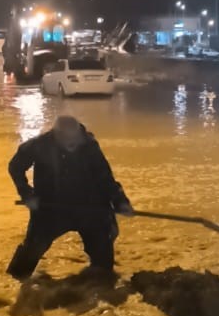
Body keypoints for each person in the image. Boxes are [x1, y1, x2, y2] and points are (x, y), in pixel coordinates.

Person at [7, 115, 133, 279]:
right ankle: (14, 283)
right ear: (56, 136)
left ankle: (100, 285)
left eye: (75, 138)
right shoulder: (39, 145)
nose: (72, 143)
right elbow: (15, 166)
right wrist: (27, 193)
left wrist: (120, 201)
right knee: (31, 251)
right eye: (66, 139)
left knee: (103, 260)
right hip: (51, 207)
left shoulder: (90, 146)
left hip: (88, 207)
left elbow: (105, 178)